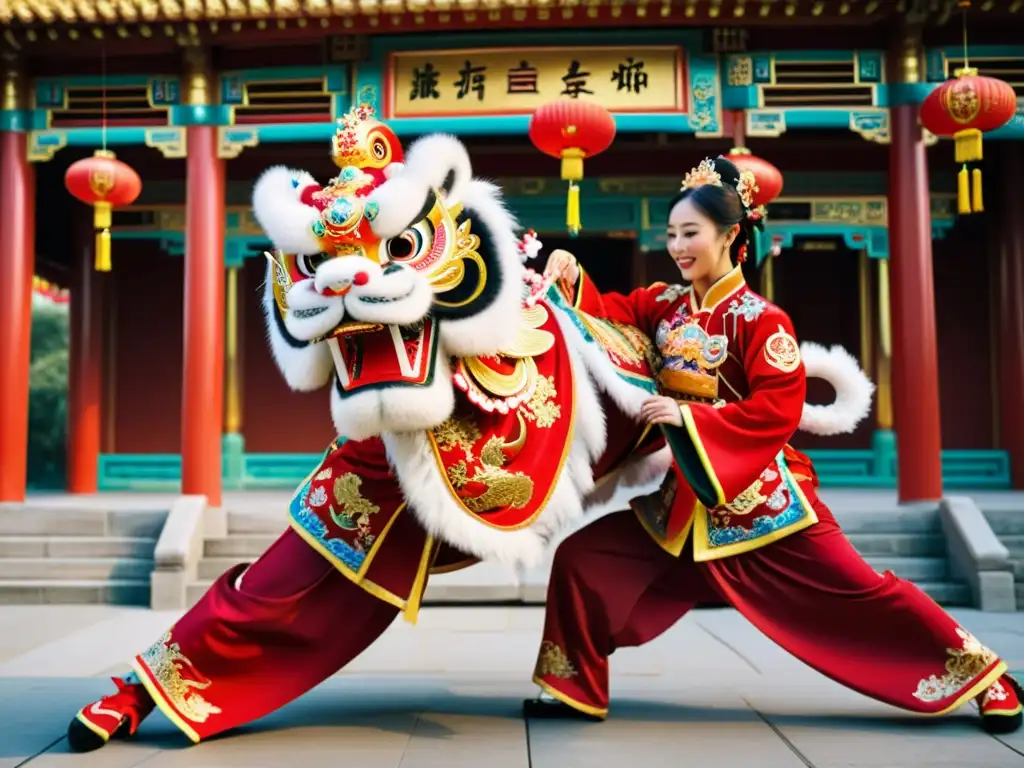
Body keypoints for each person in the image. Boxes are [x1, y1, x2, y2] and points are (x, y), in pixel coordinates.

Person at [525, 155, 1022, 734]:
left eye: (692, 234)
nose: (678, 246)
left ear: (731, 235)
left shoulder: (763, 321)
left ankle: (986, 676)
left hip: (761, 506)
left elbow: (776, 410)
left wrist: (687, 418)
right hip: (684, 508)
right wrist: (568, 275)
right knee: (584, 562)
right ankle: (573, 686)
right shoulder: (664, 304)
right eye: (672, 235)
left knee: (863, 593)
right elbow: (607, 317)